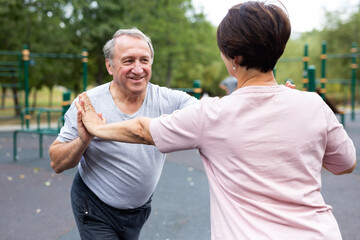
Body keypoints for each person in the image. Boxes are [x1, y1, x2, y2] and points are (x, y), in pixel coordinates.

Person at [76, 1, 357, 240]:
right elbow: (345, 163)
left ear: (233, 58)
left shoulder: (211, 115)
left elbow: (141, 129)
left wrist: (98, 128)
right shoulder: (313, 105)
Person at [49, 28, 198, 239]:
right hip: (94, 206)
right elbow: (56, 162)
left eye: (144, 60)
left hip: (138, 211)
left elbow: (207, 115)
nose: (138, 69)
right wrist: (84, 139)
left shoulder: (169, 100)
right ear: (109, 66)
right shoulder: (87, 104)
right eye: (128, 61)